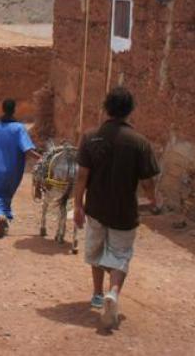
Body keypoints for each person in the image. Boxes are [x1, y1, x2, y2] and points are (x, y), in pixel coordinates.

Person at [73, 87, 160, 330]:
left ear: (106, 108)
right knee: (120, 255)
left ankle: (98, 293)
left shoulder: (90, 138)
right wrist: (153, 201)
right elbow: (147, 181)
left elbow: (82, 176)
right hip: (124, 211)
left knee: (98, 250)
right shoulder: (139, 143)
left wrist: (78, 205)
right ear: (130, 111)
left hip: (96, 208)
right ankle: (113, 292)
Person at [0, 99, 40, 238]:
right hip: (13, 170)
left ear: (3, 109)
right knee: (6, 195)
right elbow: (27, 149)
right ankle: (5, 219)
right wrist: (41, 158)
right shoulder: (19, 128)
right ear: (14, 110)